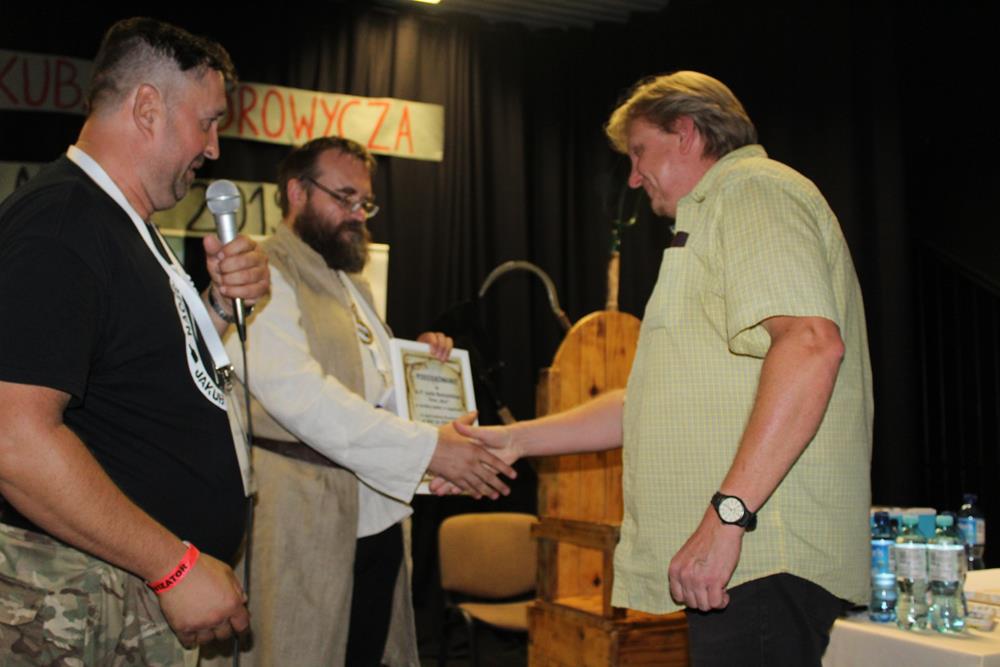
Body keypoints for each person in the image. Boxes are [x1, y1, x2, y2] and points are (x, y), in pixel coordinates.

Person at [448, 71, 873, 666]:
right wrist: (514, 440)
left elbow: (810, 344)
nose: (633, 175)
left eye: (639, 151)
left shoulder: (752, 190)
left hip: (762, 555)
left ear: (686, 134)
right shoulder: (713, 218)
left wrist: (728, 516)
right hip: (745, 559)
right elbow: (643, 403)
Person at [0, 17, 270, 665]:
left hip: (119, 586)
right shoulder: (62, 224)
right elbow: (13, 438)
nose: (213, 148)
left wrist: (217, 307)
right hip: (71, 597)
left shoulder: (121, 222)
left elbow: (137, 379)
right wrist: (173, 566)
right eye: (207, 122)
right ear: (147, 108)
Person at [202, 136, 516, 667]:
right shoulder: (263, 272)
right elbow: (303, 397)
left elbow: (370, 385)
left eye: (365, 203)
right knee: (297, 649)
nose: (357, 214)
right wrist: (429, 448)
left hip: (377, 515)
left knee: (366, 652)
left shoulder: (352, 283)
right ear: (297, 192)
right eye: (344, 198)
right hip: (300, 514)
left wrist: (418, 367)